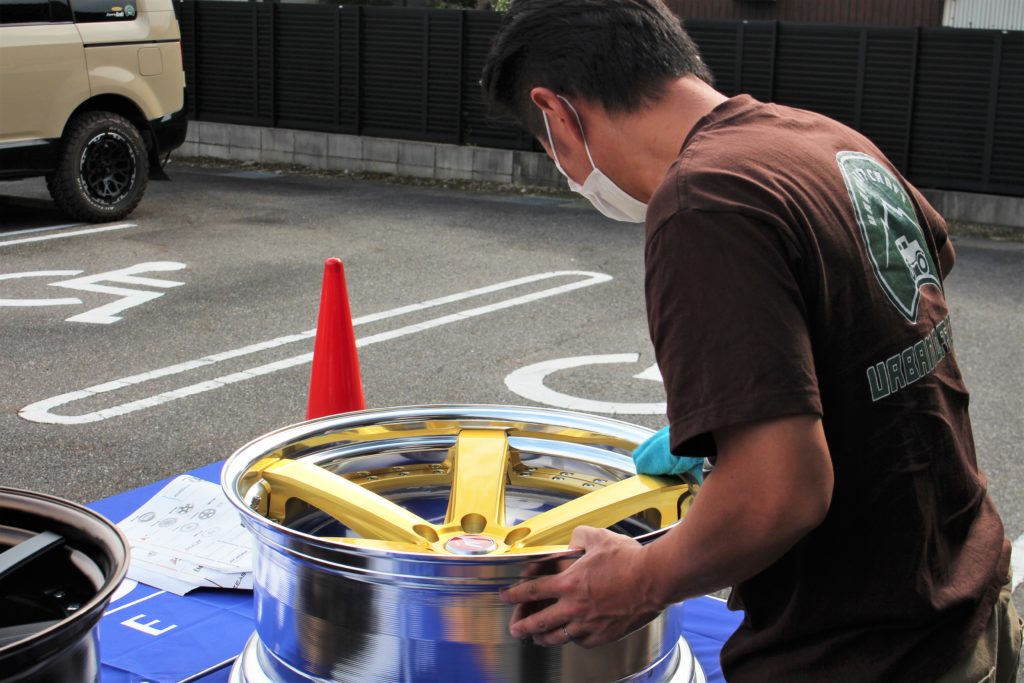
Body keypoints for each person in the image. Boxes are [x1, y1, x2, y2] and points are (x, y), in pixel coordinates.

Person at [481, 1, 1021, 680]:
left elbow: (780, 493)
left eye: (546, 146)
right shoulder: (821, 136)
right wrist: (761, 402)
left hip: (863, 651)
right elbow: (923, 272)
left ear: (557, 112)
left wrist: (641, 578)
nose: (562, 167)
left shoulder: (703, 202)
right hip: (969, 598)